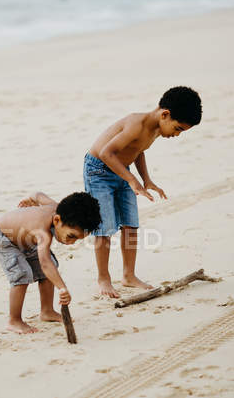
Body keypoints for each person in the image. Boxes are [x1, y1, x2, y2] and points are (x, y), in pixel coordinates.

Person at [84, 86, 202, 298]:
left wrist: (146, 180)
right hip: (99, 170)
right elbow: (106, 152)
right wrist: (133, 181)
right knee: (104, 227)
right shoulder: (135, 124)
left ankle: (129, 275)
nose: (177, 135)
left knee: (131, 224)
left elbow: (138, 151)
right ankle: (103, 278)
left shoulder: (155, 129)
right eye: (178, 129)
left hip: (122, 171)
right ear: (165, 114)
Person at [0, 191, 101, 333]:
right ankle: (14, 320)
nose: (71, 242)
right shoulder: (43, 232)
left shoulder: (57, 207)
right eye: (71, 236)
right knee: (22, 273)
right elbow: (45, 262)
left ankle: (47, 311)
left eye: (78, 239)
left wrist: (31, 199)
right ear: (57, 220)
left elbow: (38, 195)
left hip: (27, 239)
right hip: (3, 237)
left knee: (50, 269)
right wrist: (62, 288)